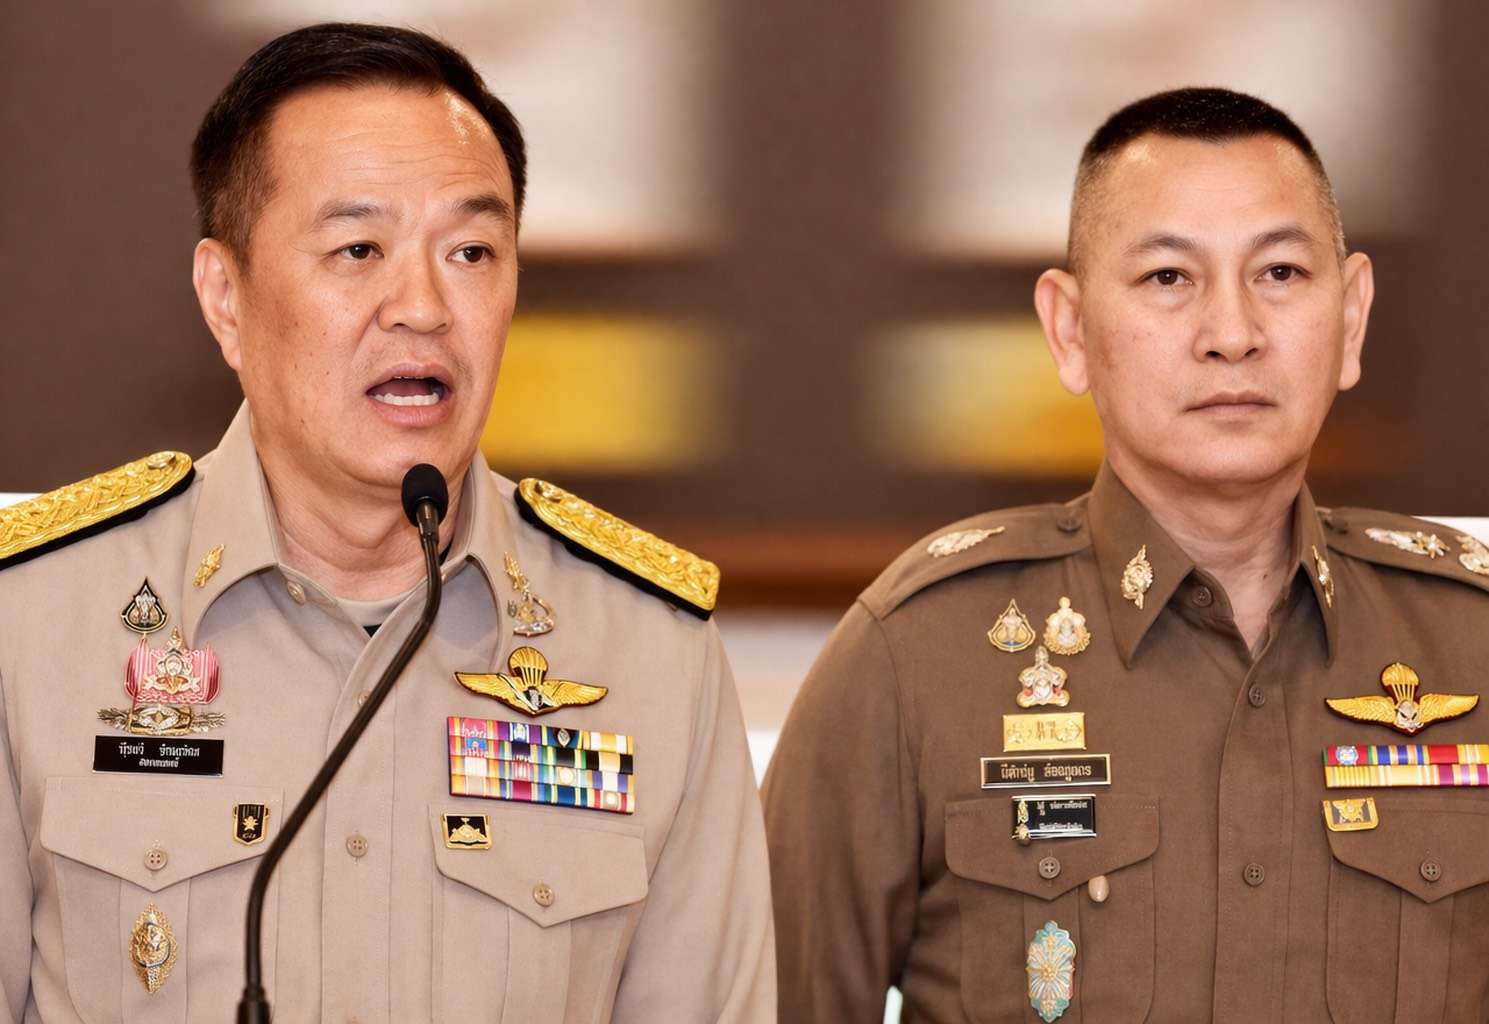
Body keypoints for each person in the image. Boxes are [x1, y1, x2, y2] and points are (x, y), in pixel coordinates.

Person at [0, 23, 774, 1023]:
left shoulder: (651, 654)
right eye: (358, 249)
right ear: (225, 297)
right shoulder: (34, 624)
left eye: (471, 252)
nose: (423, 307)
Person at [763, 87, 1489, 1022]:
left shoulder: (1468, 642)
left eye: (1278, 272)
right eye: (1167, 278)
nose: (1232, 336)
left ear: (1350, 319)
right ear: (1068, 330)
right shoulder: (915, 656)